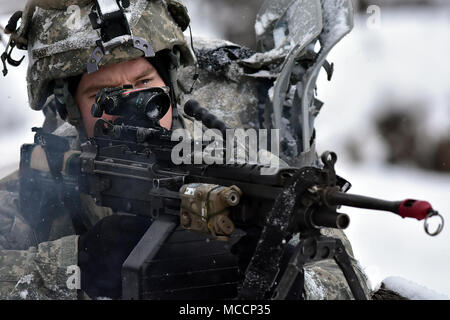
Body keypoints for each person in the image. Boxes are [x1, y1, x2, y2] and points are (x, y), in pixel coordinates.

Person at [0, 0, 372, 300]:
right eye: (103, 96)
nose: (135, 104)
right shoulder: (49, 171)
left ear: (171, 87)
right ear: (71, 110)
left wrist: (282, 279)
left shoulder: (238, 167)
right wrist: (75, 265)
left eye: (145, 82)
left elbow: (343, 279)